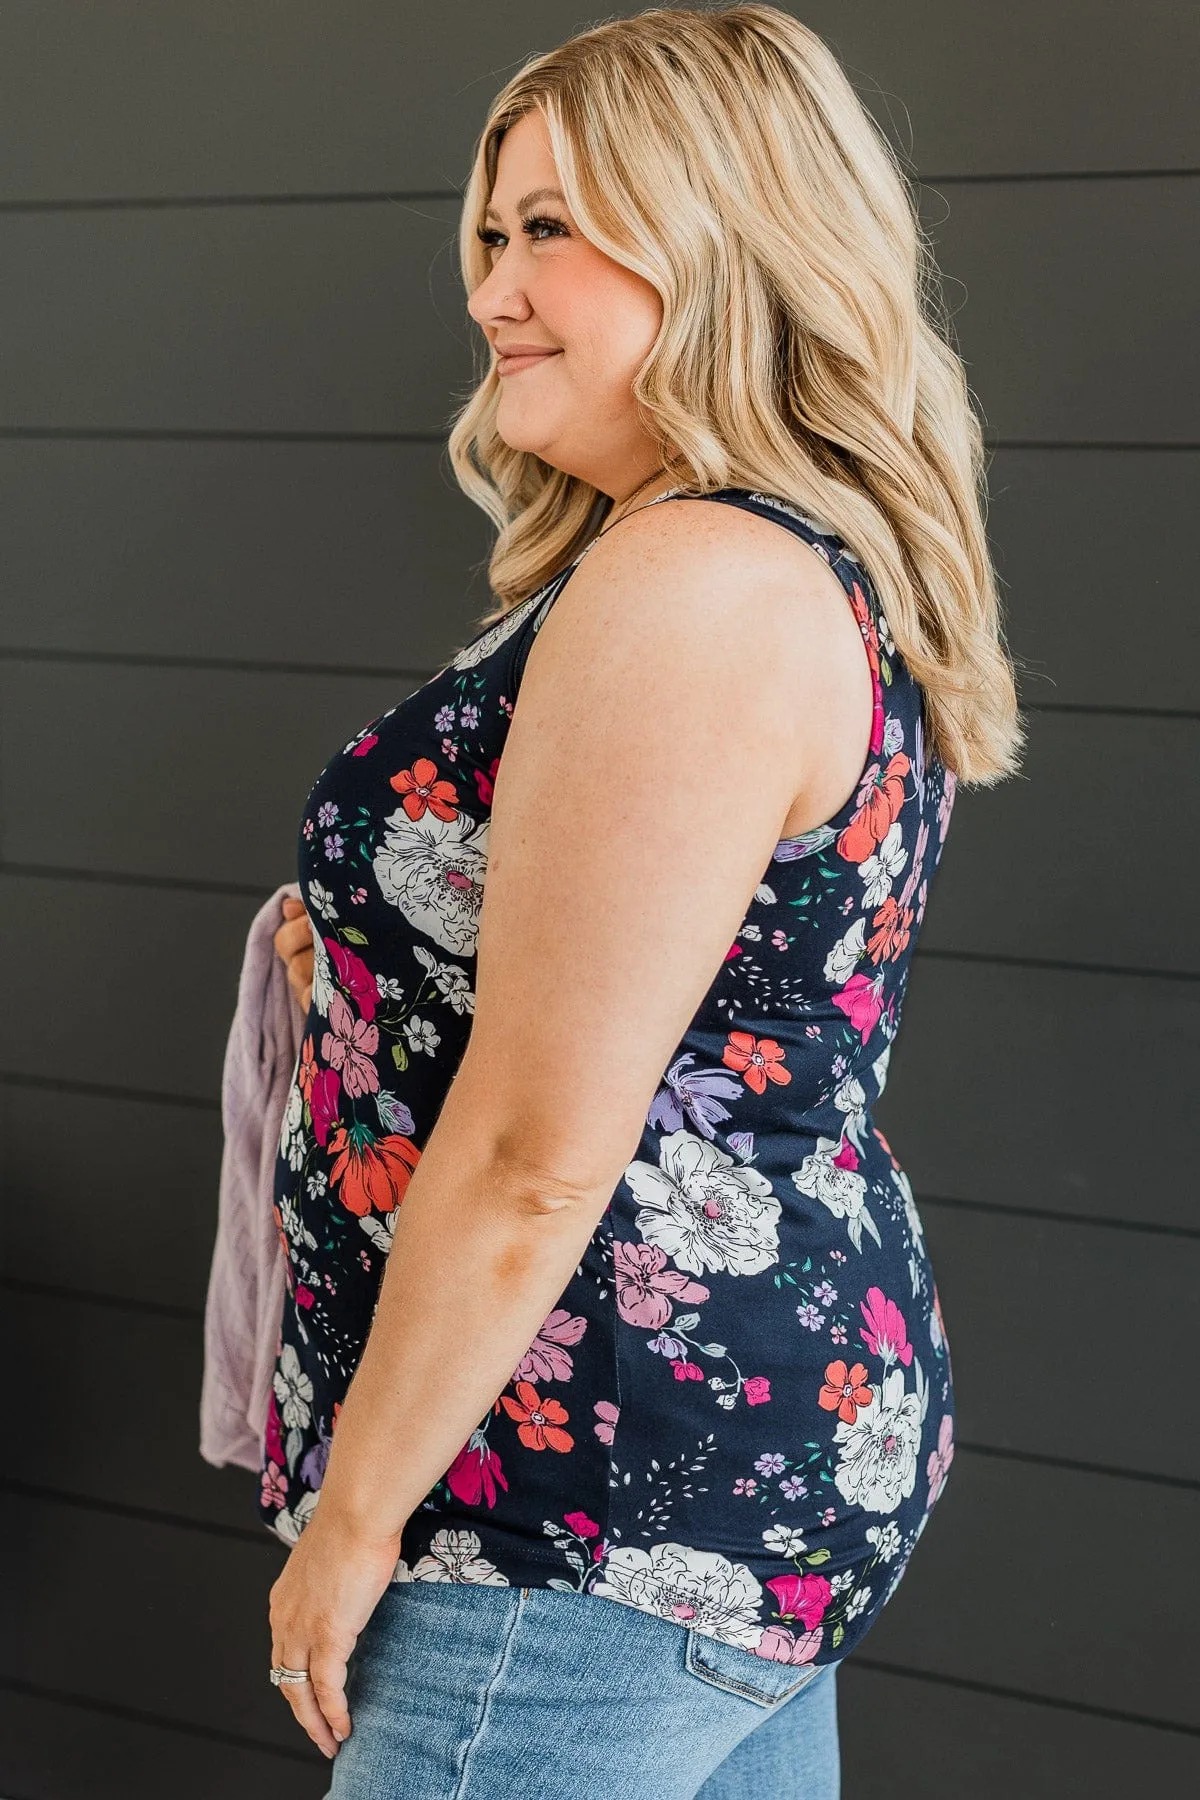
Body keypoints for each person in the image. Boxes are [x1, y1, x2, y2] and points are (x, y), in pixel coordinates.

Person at [258, 6, 1021, 1794]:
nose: (491, 289)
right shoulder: (770, 563)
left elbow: (540, 1148)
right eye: (489, 235)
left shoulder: (693, 582)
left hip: (575, 1507)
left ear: (726, 238)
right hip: (715, 1494)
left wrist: (352, 1521)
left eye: (550, 229)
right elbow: (712, 1002)